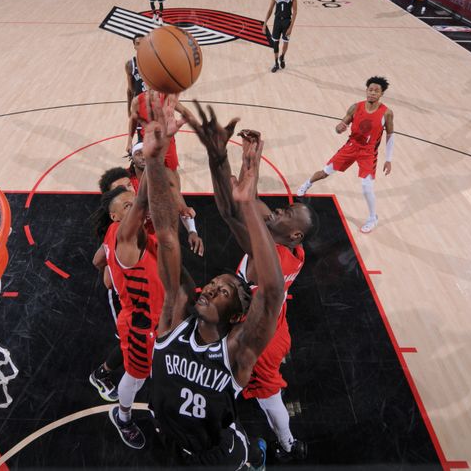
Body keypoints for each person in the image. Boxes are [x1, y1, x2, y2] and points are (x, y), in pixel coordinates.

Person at [145, 94, 276, 470]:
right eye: (216, 283)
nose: (215, 287)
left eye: (226, 292)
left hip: (215, 457)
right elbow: (168, 235)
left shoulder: (236, 352)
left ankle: (256, 456)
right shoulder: (174, 316)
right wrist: (155, 161)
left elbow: (270, 295)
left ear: (236, 317)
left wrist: (248, 204)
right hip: (167, 440)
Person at [184, 103, 317, 462]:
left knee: (259, 393)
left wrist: (231, 160)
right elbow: (244, 201)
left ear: (292, 235)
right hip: (276, 323)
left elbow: (232, 210)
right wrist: (243, 160)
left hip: (262, 334)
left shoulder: (265, 258)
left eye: (285, 214)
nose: (276, 211)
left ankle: (287, 444)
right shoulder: (289, 247)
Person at [90, 173, 164, 450]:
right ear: (115, 218)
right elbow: (146, 199)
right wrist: (151, 161)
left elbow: (98, 259)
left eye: (134, 202)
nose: (135, 208)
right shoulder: (123, 237)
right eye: (127, 206)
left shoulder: (123, 232)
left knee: (158, 370)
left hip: (157, 316)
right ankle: (122, 417)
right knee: (136, 375)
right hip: (139, 324)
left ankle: (157, 405)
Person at [296, 76, 395, 233]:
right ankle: (307, 184)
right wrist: (339, 128)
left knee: (366, 185)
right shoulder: (355, 107)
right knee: (325, 172)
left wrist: (388, 159)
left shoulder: (387, 113)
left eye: (376, 91)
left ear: (382, 94)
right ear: (366, 91)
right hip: (351, 146)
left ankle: (372, 218)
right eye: (370, 90)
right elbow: (340, 125)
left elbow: (390, 135)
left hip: (368, 153)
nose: (372, 93)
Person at [262, 0, 297, 73]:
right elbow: (270, 10)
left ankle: (282, 56)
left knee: (285, 42)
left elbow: (295, 11)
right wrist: (265, 23)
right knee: (275, 43)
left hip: (287, 21)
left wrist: (291, 27)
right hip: (277, 21)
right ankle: (276, 63)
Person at [125, 34, 147, 116]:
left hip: (154, 106)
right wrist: (129, 111)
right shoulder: (130, 65)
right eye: (138, 44)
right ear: (134, 46)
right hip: (139, 107)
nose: (140, 46)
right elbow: (130, 91)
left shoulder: (155, 62)